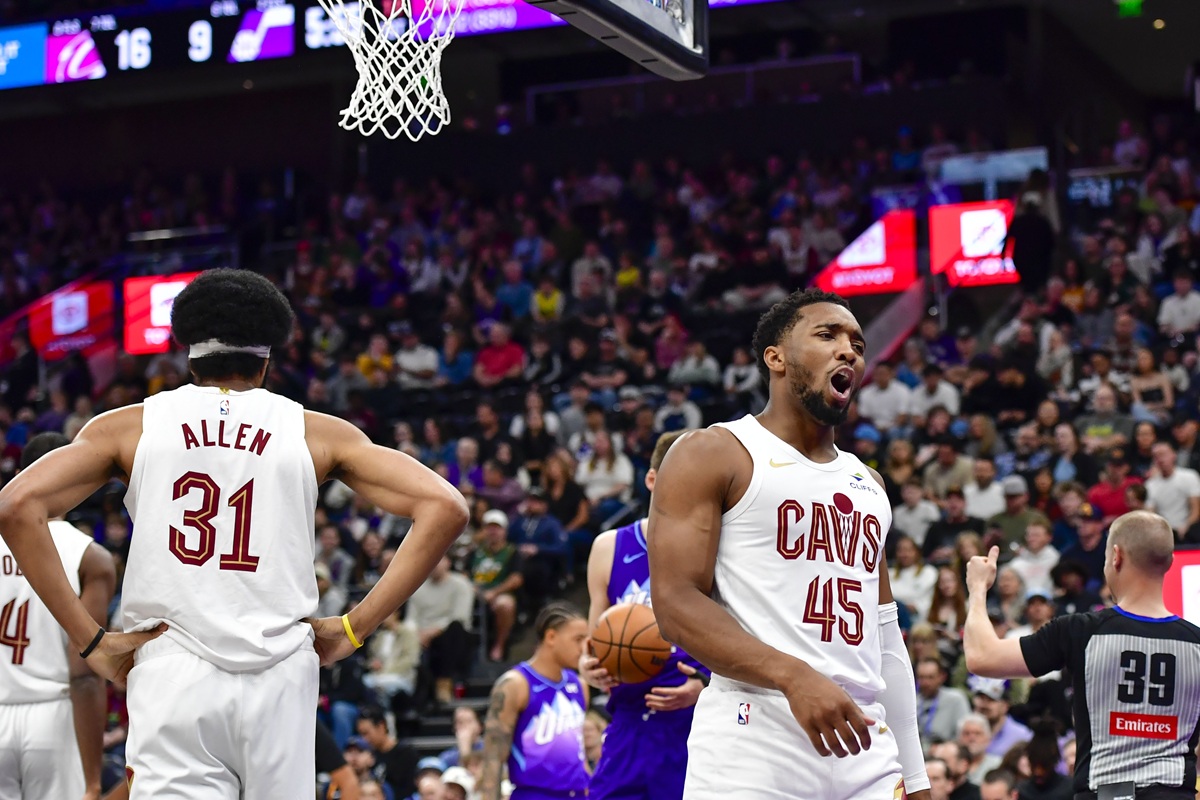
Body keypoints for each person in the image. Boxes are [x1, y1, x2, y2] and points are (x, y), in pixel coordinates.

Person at [0, 269, 470, 800]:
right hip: (281, 672)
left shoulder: (130, 426)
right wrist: (354, 627)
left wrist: (91, 642)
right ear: (267, 361)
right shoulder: (314, 430)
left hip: (172, 667)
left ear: (188, 356)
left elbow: (17, 506)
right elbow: (445, 506)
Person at [647, 289, 931, 799]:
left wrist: (916, 776)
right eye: (827, 335)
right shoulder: (713, 452)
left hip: (864, 739)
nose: (849, 350)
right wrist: (792, 676)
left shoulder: (870, 483)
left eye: (857, 343)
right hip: (755, 729)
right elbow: (675, 603)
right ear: (775, 358)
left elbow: (886, 638)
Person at [964, 510, 1200, 800]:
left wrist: (977, 589)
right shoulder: (1197, 644)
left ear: (1116, 557)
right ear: (1169, 562)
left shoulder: (1081, 630)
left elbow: (981, 657)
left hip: (1104, 793)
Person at [579, 430, 709, 800]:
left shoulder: (718, 552)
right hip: (630, 720)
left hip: (696, 723)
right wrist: (589, 665)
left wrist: (703, 685)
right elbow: (594, 644)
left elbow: (745, 637)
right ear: (651, 480)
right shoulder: (608, 548)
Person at [0, 433, 116, 800]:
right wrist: (93, 778)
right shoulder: (90, 556)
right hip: (52, 716)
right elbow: (84, 673)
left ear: (21, 476)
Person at [479, 603, 590, 800]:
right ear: (551, 637)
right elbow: (493, 758)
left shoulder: (580, 685)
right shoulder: (515, 684)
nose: (584, 648)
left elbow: (578, 753)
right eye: (578, 640)